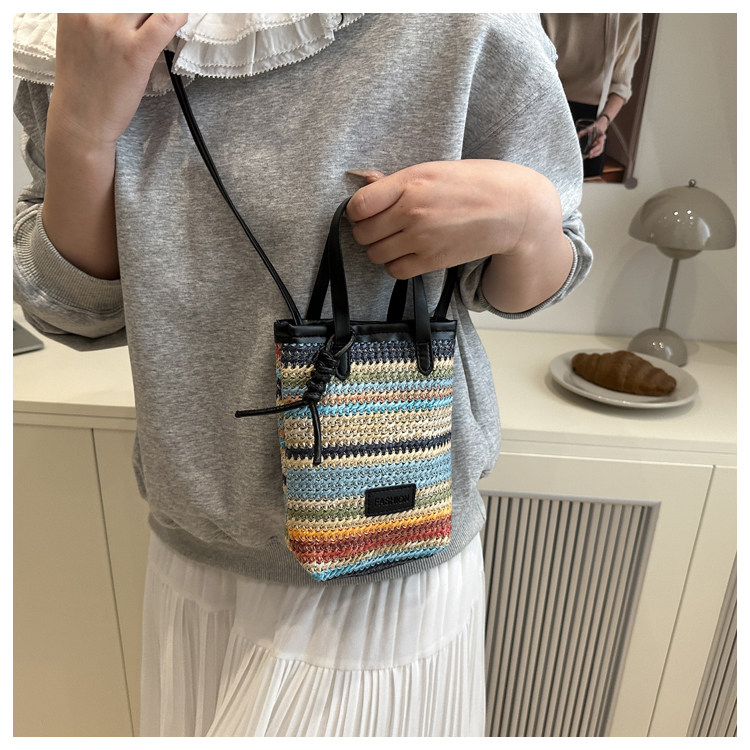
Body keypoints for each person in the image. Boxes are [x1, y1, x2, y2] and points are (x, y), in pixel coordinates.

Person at [13, 13, 592, 737]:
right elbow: (73, 312)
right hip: (191, 554)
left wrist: (529, 217)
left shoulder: (464, 24)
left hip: (387, 572)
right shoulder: (88, 30)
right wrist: (82, 132)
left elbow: (538, 277)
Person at [541, 13, 642, 178]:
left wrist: (602, 124)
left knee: (587, 189)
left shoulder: (629, 15)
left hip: (592, 121)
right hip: (543, 107)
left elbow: (621, 85)